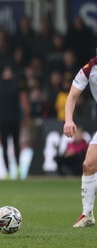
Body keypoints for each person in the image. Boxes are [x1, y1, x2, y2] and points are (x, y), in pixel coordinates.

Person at [63, 52, 97, 228]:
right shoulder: (89, 69)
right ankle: (88, 215)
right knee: (89, 165)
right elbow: (72, 97)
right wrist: (69, 120)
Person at [0, 66, 30, 179]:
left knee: (5, 145)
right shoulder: (17, 86)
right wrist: (27, 118)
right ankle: (17, 169)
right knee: (15, 144)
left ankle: (9, 171)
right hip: (14, 120)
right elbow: (25, 104)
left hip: (3, 120)